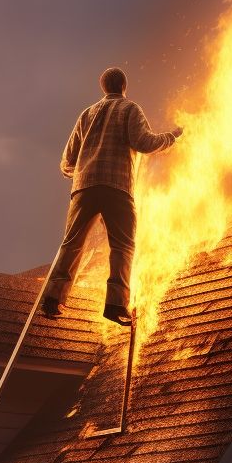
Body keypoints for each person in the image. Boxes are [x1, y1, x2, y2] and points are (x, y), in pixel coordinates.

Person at [41, 66, 183, 326]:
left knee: (71, 243)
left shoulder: (86, 114)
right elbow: (144, 143)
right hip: (117, 187)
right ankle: (115, 304)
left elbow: (66, 161)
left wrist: (84, 172)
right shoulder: (130, 109)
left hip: (84, 188)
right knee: (123, 245)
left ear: (103, 88)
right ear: (123, 86)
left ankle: (52, 299)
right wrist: (171, 137)